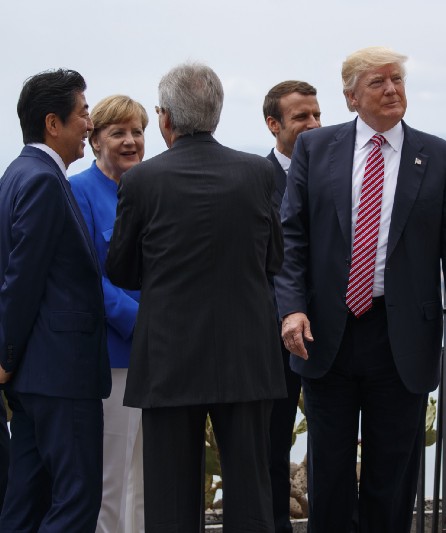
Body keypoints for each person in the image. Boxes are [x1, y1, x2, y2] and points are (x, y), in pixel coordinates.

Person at [275, 46, 446, 533]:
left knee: (392, 475)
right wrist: (291, 309)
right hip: (327, 334)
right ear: (351, 97)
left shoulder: (440, 157)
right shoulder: (315, 148)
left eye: (397, 80)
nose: (392, 90)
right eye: (378, 82)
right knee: (329, 471)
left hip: (402, 336)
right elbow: (292, 239)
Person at [105, 63, 286, 532]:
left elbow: (121, 269)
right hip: (246, 352)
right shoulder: (258, 173)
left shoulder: (141, 181)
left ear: (164, 119)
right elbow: (274, 259)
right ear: (218, 113)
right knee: (251, 495)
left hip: (168, 354)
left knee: (169, 499)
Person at [0, 68, 110, 532]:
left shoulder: (15, 173)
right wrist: (4, 356)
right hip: (60, 374)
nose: (89, 123)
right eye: (84, 113)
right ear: (52, 123)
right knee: (76, 499)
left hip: (32, 376)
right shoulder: (44, 180)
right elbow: (21, 280)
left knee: (25, 499)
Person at [70, 94, 148, 533]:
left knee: (146, 478)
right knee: (110, 478)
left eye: (137, 131)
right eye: (118, 132)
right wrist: (140, 321)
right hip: (111, 356)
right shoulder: (77, 191)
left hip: (157, 357)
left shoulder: (149, 187)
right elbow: (83, 277)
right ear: (95, 138)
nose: (130, 141)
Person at [262, 80, 321, 533]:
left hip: (331, 333)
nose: (314, 124)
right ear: (273, 125)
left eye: (317, 115)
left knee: (332, 442)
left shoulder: (337, 173)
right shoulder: (258, 180)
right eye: (302, 117)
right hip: (272, 335)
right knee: (272, 443)